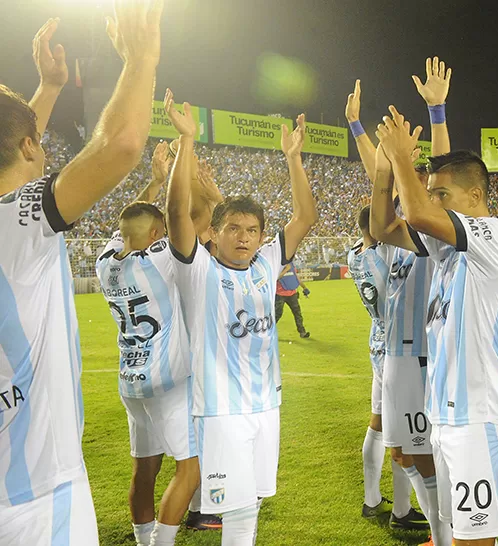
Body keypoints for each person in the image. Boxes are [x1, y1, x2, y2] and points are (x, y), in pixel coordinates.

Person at [0, 6, 163, 545]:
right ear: (30, 148)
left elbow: (15, 147)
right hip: (35, 499)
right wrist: (140, 59)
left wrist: (45, 92)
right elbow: (118, 146)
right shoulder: (20, 221)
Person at [164, 89, 318, 545]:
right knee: (233, 505)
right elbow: (176, 212)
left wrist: (294, 159)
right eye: (233, 228)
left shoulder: (267, 264)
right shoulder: (200, 270)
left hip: (266, 405)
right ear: (213, 231)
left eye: (252, 231)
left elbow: (305, 217)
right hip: (221, 410)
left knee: (249, 503)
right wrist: (186, 144)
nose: (244, 238)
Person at [372, 106, 498, 546]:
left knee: (474, 543)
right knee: (454, 536)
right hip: (448, 416)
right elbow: (384, 226)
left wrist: (403, 158)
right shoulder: (448, 253)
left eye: (442, 194)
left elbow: (417, 214)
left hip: (480, 418)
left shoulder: (495, 233)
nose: (432, 201)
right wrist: (385, 168)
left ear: (475, 196)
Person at [94, 146, 224, 545]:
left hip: (131, 381)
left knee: (144, 469)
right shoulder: (161, 259)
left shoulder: (105, 262)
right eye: (161, 232)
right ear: (155, 235)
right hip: (168, 381)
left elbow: (131, 222)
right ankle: (160, 543)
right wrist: (210, 195)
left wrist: (154, 179)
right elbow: (193, 220)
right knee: (192, 466)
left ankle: (142, 538)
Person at [351, 58, 455, 546]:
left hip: (420, 357)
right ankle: (438, 527)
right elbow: (378, 218)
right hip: (394, 358)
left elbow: (443, 182)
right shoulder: (392, 236)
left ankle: (443, 531)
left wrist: (437, 113)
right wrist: (386, 162)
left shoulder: (433, 236)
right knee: (402, 454)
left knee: (424, 454)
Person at [348, 204, 425, 530]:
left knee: (378, 424)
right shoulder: (386, 255)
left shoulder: (355, 254)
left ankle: (371, 500)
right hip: (395, 345)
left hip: (376, 341)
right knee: (403, 433)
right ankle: (403, 511)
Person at [274, 262, 310, 339]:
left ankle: (302, 332)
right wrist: (286, 269)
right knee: (277, 314)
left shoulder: (291, 264)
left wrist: (304, 287)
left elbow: (296, 277)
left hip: (292, 293)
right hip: (280, 294)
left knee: (297, 313)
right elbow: (275, 278)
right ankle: (268, 332)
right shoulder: (277, 265)